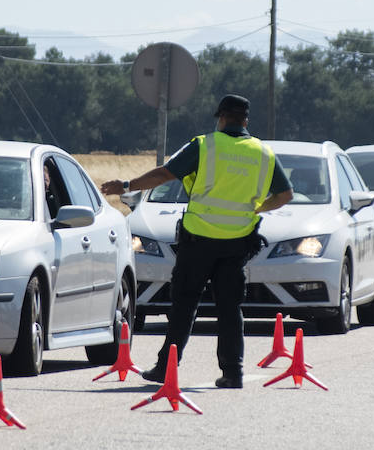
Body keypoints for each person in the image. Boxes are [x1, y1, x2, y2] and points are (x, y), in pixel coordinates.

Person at [100, 94, 292, 389]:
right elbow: (284, 195)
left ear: (222, 118)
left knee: (184, 303)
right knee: (230, 308)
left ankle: (166, 368)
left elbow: (165, 173)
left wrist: (127, 186)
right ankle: (233, 372)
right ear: (246, 121)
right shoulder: (263, 153)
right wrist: (256, 208)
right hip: (237, 242)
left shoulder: (205, 145)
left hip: (199, 240)